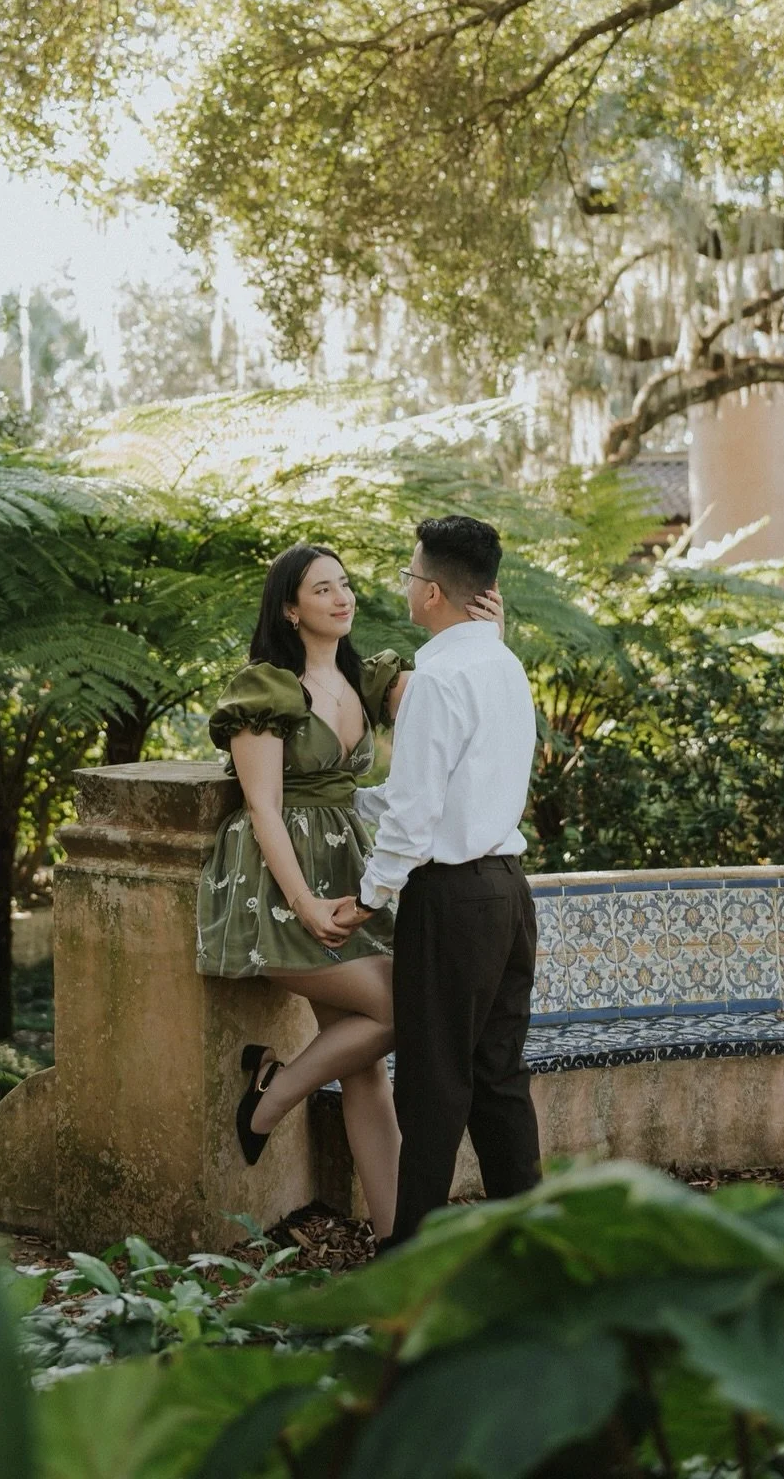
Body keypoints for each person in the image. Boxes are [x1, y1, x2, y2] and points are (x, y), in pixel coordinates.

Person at [196, 540, 500, 1243]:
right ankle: (271, 1099)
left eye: (346, 585)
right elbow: (263, 808)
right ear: (290, 609)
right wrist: (302, 902)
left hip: (348, 870)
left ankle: (399, 1241)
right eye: (322, 589)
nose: (342, 597)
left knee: (367, 1072)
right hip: (278, 882)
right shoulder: (265, 689)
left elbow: (457, 697)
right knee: (402, 1008)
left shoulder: (367, 680)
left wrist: (488, 634)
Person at [334, 515, 540, 1246]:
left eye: (409, 575)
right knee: (497, 1079)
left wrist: (368, 897)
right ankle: (533, 1246)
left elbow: (417, 814)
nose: (405, 587)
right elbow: (445, 790)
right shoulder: (504, 666)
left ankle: (409, 1259)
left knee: (431, 1087)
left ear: (431, 593)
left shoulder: (435, 680)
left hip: (451, 900)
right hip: (509, 895)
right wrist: (350, 802)